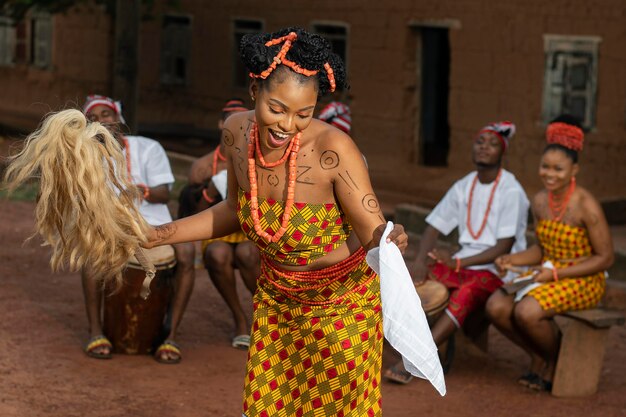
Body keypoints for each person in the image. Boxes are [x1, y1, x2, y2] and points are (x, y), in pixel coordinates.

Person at [144, 27, 408, 416]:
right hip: (276, 300)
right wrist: (157, 235)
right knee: (269, 407)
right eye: (277, 109)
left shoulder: (334, 150)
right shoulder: (236, 133)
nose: (288, 125)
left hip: (341, 308)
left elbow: (373, 232)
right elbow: (235, 210)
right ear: (255, 91)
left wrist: (390, 237)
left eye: (304, 114)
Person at [384, 121, 530, 384]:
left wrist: (459, 260)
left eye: (493, 144)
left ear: (503, 152)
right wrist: (418, 262)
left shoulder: (511, 190)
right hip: (463, 264)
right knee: (419, 281)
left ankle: (420, 358)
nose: (485, 148)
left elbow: (503, 248)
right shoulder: (465, 186)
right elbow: (433, 226)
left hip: (498, 270)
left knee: (466, 293)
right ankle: (407, 342)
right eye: (480, 142)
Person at [485, 115, 614, 392]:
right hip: (548, 273)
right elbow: (543, 249)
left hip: (585, 278)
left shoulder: (586, 205)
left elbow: (605, 259)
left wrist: (556, 273)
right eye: (545, 167)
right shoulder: (541, 200)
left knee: (527, 312)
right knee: (496, 306)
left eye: (559, 169)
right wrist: (512, 260)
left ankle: (555, 360)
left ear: (574, 170)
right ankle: (539, 356)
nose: (550, 174)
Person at [80, 95, 194, 364]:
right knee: (89, 251)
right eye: (93, 118)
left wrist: (135, 190)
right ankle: (95, 330)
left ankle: (171, 334)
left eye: (105, 115)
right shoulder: (85, 157)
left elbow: (163, 194)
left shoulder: (148, 148)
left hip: (156, 223)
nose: (101, 121)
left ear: (118, 118)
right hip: (112, 226)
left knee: (187, 254)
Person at [182, 99, 261, 350]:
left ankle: (264, 315)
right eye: (232, 121)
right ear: (220, 124)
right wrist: (209, 191)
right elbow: (192, 213)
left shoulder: (262, 160)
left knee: (248, 253)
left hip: (251, 232)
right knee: (217, 254)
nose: (240, 127)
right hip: (217, 231)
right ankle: (239, 319)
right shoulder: (202, 167)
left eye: (246, 122)